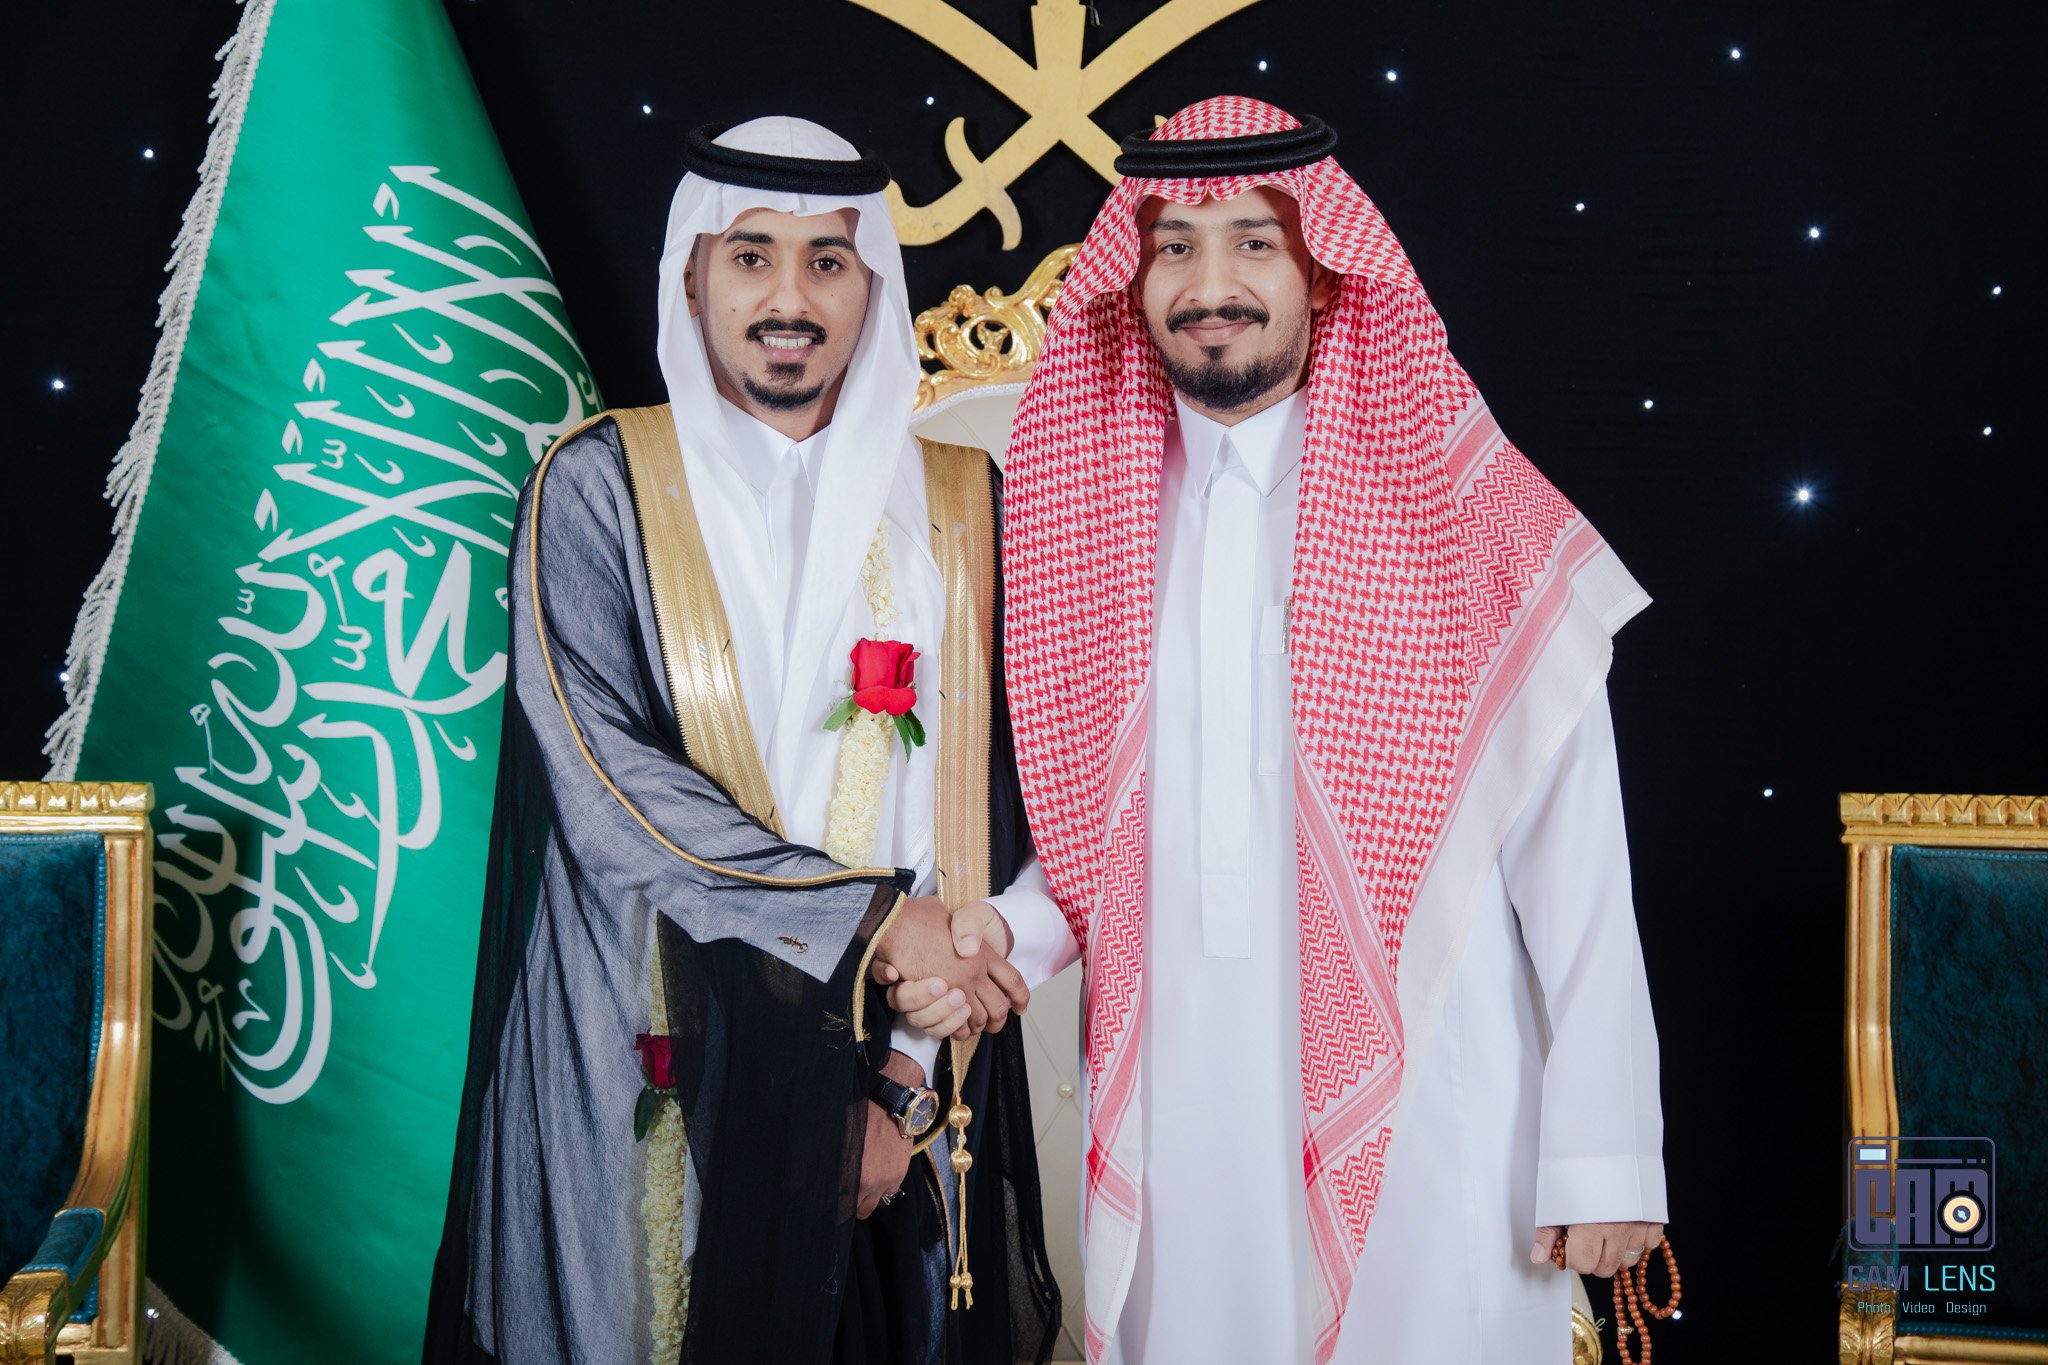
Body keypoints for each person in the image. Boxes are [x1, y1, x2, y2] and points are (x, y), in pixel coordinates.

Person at [998, 96, 1669, 1364]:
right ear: (1130, 280)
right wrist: (1001, 937)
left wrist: (1605, 1149)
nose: (1210, 285)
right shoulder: (1076, 522)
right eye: (1173, 246)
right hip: (1175, 1109)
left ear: (1321, 271)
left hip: (1430, 1106)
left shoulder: (1458, 505)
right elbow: (1084, 840)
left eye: (1254, 242)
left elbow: (1576, 855)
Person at [423, 116, 1068, 1365]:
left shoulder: (962, 504)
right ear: (691, 278)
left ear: (872, 285)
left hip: (897, 1083)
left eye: (827, 261)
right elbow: (606, 787)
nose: (789, 299)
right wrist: (873, 920)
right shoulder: (595, 488)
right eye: (751, 256)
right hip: (640, 1061)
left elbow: (1025, 799)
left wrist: (902, 1083)